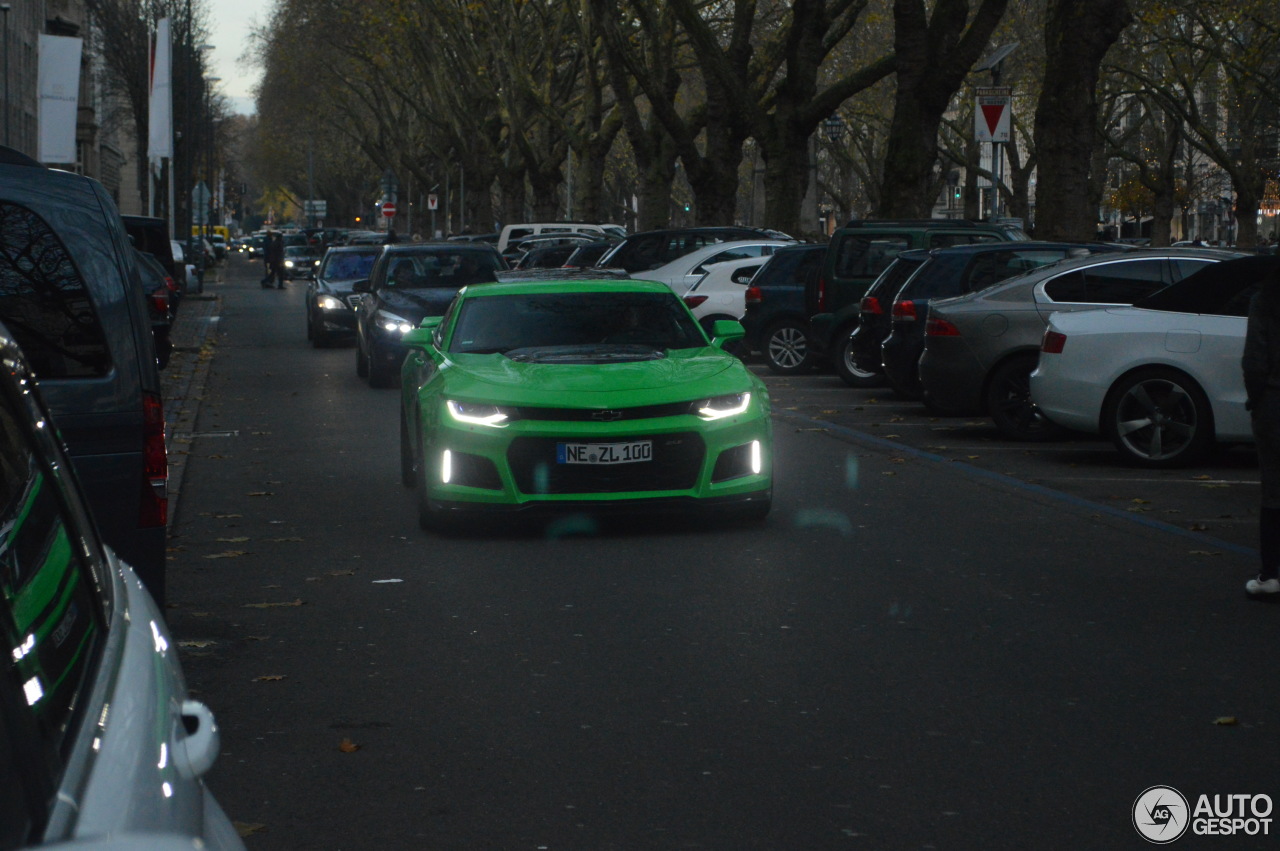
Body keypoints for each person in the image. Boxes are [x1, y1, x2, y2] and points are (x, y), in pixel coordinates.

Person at [1244, 265, 1280, 596]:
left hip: (1274, 400)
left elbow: (1254, 359)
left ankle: (1271, 575)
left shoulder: (1266, 301)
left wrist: (1256, 399)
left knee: (1274, 489)